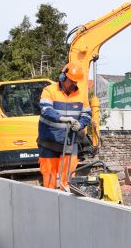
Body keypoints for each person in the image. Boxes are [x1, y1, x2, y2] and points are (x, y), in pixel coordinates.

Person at [37, 62, 92, 190]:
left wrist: (81, 124)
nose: (74, 84)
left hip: (70, 143)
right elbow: (45, 109)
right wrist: (61, 118)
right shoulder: (49, 91)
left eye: (76, 82)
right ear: (62, 78)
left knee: (67, 182)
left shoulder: (81, 94)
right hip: (48, 144)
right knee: (49, 181)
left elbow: (87, 114)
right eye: (72, 81)